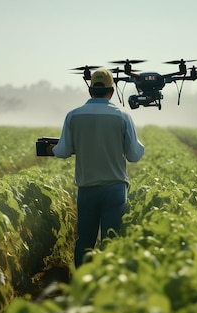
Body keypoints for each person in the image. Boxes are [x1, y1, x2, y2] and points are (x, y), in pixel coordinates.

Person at [52, 68, 145, 268]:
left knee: (85, 242)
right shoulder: (122, 117)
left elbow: (63, 151)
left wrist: (52, 147)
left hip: (87, 189)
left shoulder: (73, 116)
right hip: (114, 189)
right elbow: (134, 155)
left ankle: (83, 285)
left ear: (90, 90)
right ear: (112, 92)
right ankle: (108, 285)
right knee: (111, 243)